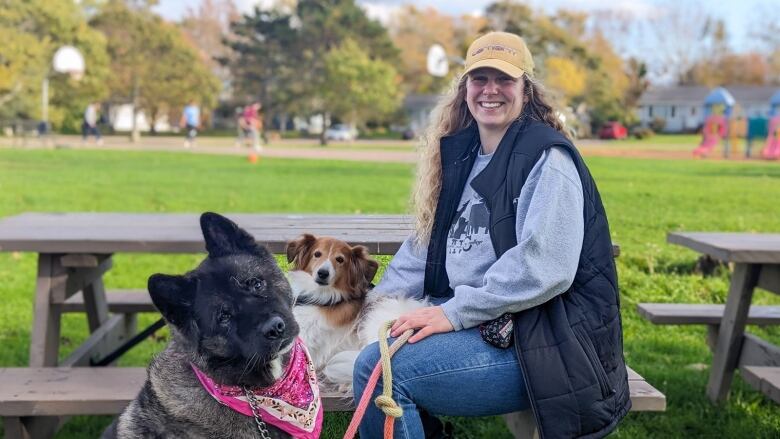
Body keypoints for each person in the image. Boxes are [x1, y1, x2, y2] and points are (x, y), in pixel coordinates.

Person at [352, 31, 630, 438]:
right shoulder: (461, 156)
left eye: (505, 80)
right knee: (373, 352)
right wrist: (366, 311)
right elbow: (424, 251)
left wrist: (451, 312)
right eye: (479, 78)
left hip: (544, 346)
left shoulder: (547, 158)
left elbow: (545, 265)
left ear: (526, 89)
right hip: (484, 328)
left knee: (379, 369)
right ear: (464, 88)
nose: (491, 90)